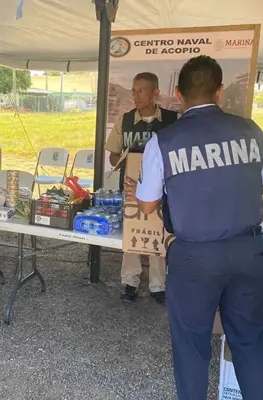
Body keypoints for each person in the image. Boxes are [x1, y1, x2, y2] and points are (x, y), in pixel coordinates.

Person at [127, 55, 263, 399]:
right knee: (250, 346)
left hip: (194, 257)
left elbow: (147, 205)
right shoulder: (251, 131)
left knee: (192, 349)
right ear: (220, 91)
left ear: (178, 95)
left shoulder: (163, 141)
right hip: (249, 250)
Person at [105, 72, 178, 303]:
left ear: (155, 92)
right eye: (134, 91)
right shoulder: (125, 121)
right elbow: (113, 156)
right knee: (133, 231)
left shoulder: (172, 120)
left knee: (158, 232)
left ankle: (158, 285)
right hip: (130, 187)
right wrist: (125, 160)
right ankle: (130, 281)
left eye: (141, 90)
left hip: (162, 189)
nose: (135, 96)